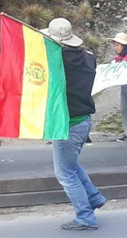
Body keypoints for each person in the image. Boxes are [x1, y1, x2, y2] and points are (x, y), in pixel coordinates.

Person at [41, 18, 106, 231]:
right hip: (84, 119)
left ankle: (85, 217)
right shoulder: (89, 57)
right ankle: (94, 198)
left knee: (65, 173)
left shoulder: (58, 62)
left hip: (68, 123)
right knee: (71, 165)